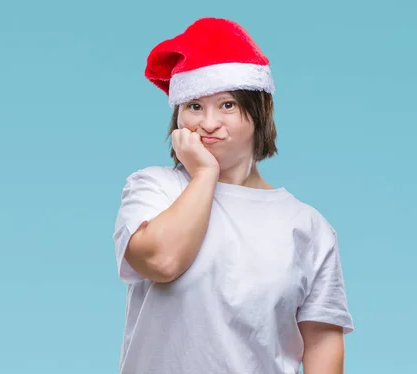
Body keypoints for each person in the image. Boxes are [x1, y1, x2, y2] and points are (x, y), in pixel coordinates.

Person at [112, 17, 354, 374]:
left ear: (259, 114)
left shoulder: (308, 226)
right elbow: (160, 262)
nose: (208, 123)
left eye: (227, 105)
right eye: (194, 106)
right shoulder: (155, 188)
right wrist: (205, 174)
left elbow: (321, 341)